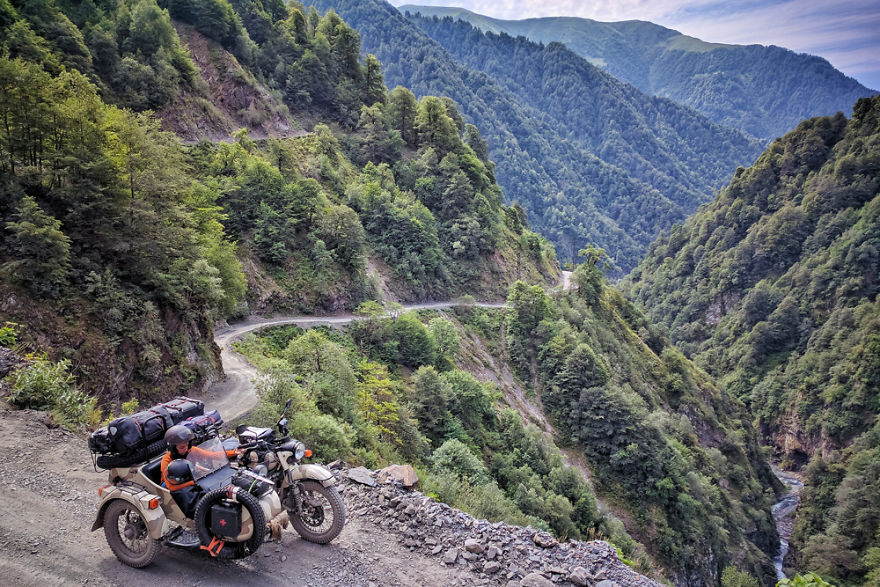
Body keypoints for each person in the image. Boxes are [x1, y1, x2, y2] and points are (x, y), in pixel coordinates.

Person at [160, 425, 241, 516]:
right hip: (173, 484)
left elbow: (212, 455)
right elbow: (171, 486)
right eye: (182, 447)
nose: (186, 449)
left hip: (191, 477)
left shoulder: (191, 450)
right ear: (173, 448)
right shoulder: (166, 461)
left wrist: (234, 452)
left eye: (187, 445)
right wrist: (193, 482)